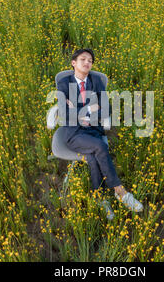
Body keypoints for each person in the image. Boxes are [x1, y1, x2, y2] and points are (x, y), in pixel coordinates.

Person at [57, 48, 143, 218]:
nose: (87, 62)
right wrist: (89, 108)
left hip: (93, 128)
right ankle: (120, 190)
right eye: (83, 59)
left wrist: (77, 110)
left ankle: (100, 199)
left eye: (90, 60)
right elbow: (63, 111)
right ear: (74, 63)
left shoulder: (96, 81)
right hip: (73, 133)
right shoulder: (64, 83)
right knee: (100, 146)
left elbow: (106, 108)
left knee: (93, 157)